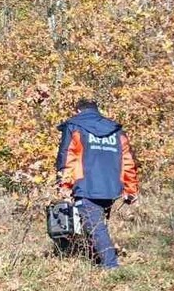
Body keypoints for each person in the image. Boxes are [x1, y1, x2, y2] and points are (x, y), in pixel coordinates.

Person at [56, 98, 140, 269]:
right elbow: (128, 161)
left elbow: (68, 156)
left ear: (78, 110)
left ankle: (111, 267)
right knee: (95, 225)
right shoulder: (116, 131)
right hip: (111, 188)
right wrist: (130, 189)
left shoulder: (75, 126)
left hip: (85, 185)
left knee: (95, 227)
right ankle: (97, 262)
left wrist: (64, 185)